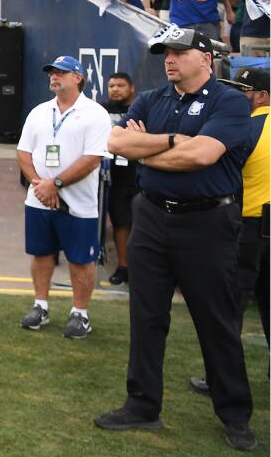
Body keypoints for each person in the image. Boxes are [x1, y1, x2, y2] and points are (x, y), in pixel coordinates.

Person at [95, 26, 257, 453]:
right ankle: (142, 404)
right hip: (151, 216)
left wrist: (149, 149)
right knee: (146, 316)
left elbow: (202, 155)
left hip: (207, 223)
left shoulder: (230, 102)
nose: (169, 59)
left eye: (179, 52)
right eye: (165, 52)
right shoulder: (151, 98)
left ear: (205, 58)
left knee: (216, 322)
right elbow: (117, 142)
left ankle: (235, 415)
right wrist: (169, 140)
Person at [187, 66, 270, 398]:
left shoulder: (245, 127)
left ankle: (218, 379)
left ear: (262, 96)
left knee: (228, 308)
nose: (238, 96)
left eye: (244, 90)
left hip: (248, 228)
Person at [16, 56, 112, 338]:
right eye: (52, 73)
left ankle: (80, 313)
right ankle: (40, 305)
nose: (54, 77)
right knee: (41, 253)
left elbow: (93, 158)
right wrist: (39, 185)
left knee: (81, 259)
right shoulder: (39, 112)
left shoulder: (95, 113)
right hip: (39, 199)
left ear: (78, 77)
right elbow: (23, 153)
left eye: (61, 73)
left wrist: (55, 184)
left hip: (78, 203)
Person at [103, 72, 139, 285]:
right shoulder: (101, 110)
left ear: (131, 88)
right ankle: (123, 267)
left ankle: (141, 268)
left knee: (142, 225)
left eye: (120, 85)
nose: (115, 89)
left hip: (140, 176)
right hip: (115, 178)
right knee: (120, 223)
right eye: (111, 85)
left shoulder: (142, 109)